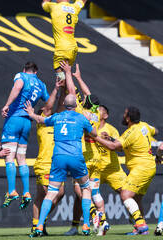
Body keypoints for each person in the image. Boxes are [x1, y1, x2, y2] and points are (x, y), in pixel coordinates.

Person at [25, 94, 96, 237]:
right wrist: (90, 121)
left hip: (58, 158)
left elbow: (41, 119)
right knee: (86, 188)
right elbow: (94, 133)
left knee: (51, 192)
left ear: (63, 103)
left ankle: (39, 225)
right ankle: (86, 224)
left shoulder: (57, 117)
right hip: (76, 156)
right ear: (76, 105)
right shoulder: (81, 117)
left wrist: (31, 113)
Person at [91, 106, 156, 235]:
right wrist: (110, 139)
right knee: (135, 198)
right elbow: (156, 131)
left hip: (141, 167)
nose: (123, 116)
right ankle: (140, 227)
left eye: (125, 114)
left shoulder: (130, 132)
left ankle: (141, 225)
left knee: (125, 195)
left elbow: (115, 147)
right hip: (148, 166)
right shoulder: (144, 126)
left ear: (129, 118)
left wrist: (95, 137)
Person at [60, 62, 105, 236]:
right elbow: (88, 94)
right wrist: (79, 77)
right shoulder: (97, 113)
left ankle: (96, 217)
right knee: (92, 192)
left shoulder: (80, 113)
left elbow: (72, 93)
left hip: (84, 156)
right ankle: (79, 226)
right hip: (96, 157)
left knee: (81, 190)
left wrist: (69, 74)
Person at [1, 61, 49, 209]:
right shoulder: (41, 85)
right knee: (21, 157)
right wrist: (36, 113)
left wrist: (7, 104)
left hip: (14, 118)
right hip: (27, 122)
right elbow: (48, 104)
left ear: (24, 69)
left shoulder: (21, 76)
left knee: (9, 156)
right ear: (36, 72)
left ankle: (11, 191)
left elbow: (17, 87)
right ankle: (27, 192)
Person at [32, 78, 65, 234]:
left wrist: (63, 88)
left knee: (48, 196)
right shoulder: (42, 124)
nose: (49, 112)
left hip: (57, 164)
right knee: (50, 194)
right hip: (44, 164)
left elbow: (60, 106)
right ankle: (39, 224)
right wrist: (56, 89)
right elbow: (49, 107)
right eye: (46, 111)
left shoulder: (55, 122)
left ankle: (38, 223)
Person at [42, 0, 87, 80]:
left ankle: (72, 95)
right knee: (66, 78)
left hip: (61, 49)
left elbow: (44, 3)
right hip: (73, 48)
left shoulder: (54, 7)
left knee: (61, 81)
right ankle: (71, 94)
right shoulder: (74, 7)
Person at [94, 105, 128, 235]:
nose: (96, 111)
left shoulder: (111, 130)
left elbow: (119, 148)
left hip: (112, 169)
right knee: (84, 194)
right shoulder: (90, 126)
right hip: (95, 168)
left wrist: (111, 139)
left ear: (105, 115)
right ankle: (95, 225)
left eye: (99, 110)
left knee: (127, 193)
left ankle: (138, 223)